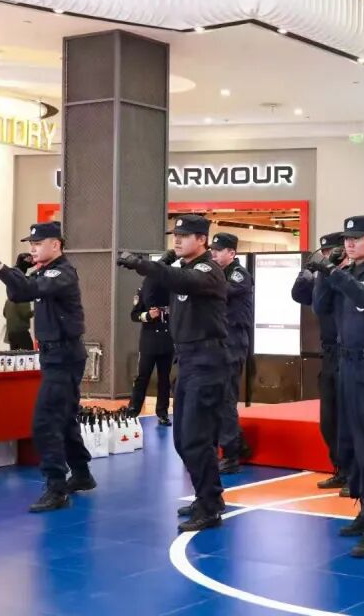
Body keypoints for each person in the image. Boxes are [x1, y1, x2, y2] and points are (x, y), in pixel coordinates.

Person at [116, 214, 229, 532]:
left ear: (202, 240)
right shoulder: (181, 270)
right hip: (189, 360)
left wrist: (144, 264)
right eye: (175, 236)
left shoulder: (208, 270)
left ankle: (209, 507)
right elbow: (153, 295)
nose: (177, 240)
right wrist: (159, 265)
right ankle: (210, 496)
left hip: (207, 360)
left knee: (195, 437)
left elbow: (183, 281)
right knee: (183, 438)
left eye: (185, 235)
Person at [0, 222, 95, 512]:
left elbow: (28, 289)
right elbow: (18, 295)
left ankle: (56, 487)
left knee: (45, 421)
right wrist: (18, 270)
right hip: (55, 354)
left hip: (64, 355)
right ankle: (81, 473)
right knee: (64, 417)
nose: (33, 248)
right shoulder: (45, 271)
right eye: (31, 243)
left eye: (38, 243)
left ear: (56, 245)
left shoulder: (62, 272)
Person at [310, 215, 364, 558]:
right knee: (351, 442)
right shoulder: (344, 272)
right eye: (347, 238)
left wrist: (335, 274)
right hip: (346, 365)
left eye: (357, 238)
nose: (349, 243)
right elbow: (320, 307)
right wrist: (324, 274)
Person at [291, 231, 348, 493]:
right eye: (323, 253)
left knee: (349, 418)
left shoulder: (349, 277)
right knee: (329, 420)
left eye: (331, 252)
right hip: (329, 354)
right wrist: (306, 274)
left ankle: (354, 472)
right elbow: (300, 296)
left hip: (348, 352)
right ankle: (340, 468)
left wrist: (329, 272)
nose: (326, 256)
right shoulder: (323, 279)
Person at [209, 232, 254, 474]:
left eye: (219, 250)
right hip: (219, 342)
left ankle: (231, 455)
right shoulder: (218, 273)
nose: (213, 254)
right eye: (212, 250)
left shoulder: (239, 274)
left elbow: (221, 292)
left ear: (232, 253)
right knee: (217, 397)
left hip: (233, 341)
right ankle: (239, 444)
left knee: (226, 398)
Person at [128, 274, 174, 426]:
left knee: (164, 379)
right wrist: (148, 315)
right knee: (142, 377)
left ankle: (162, 412)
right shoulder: (144, 290)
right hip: (149, 341)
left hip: (167, 340)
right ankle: (133, 410)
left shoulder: (172, 290)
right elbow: (134, 315)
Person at [3, 253, 35, 351]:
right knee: (29, 356)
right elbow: (26, 313)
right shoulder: (22, 297)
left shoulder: (8, 300)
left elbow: (4, 313)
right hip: (21, 332)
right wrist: (36, 310)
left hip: (10, 333)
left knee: (14, 357)